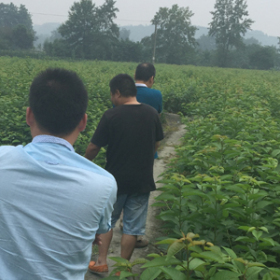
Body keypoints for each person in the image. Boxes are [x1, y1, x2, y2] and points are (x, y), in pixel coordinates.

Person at [0, 68, 117, 280]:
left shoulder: (2, 160)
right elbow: (97, 231)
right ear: (83, 121)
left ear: (29, 115)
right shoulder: (103, 184)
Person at [85, 74, 164, 274]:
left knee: (108, 222)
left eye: (112, 95)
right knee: (132, 228)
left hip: (115, 180)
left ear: (117, 93)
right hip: (142, 180)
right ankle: (123, 270)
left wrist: (84, 164)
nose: (112, 99)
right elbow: (156, 144)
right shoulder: (151, 113)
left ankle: (101, 262)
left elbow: (94, 147)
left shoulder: (112, 115)